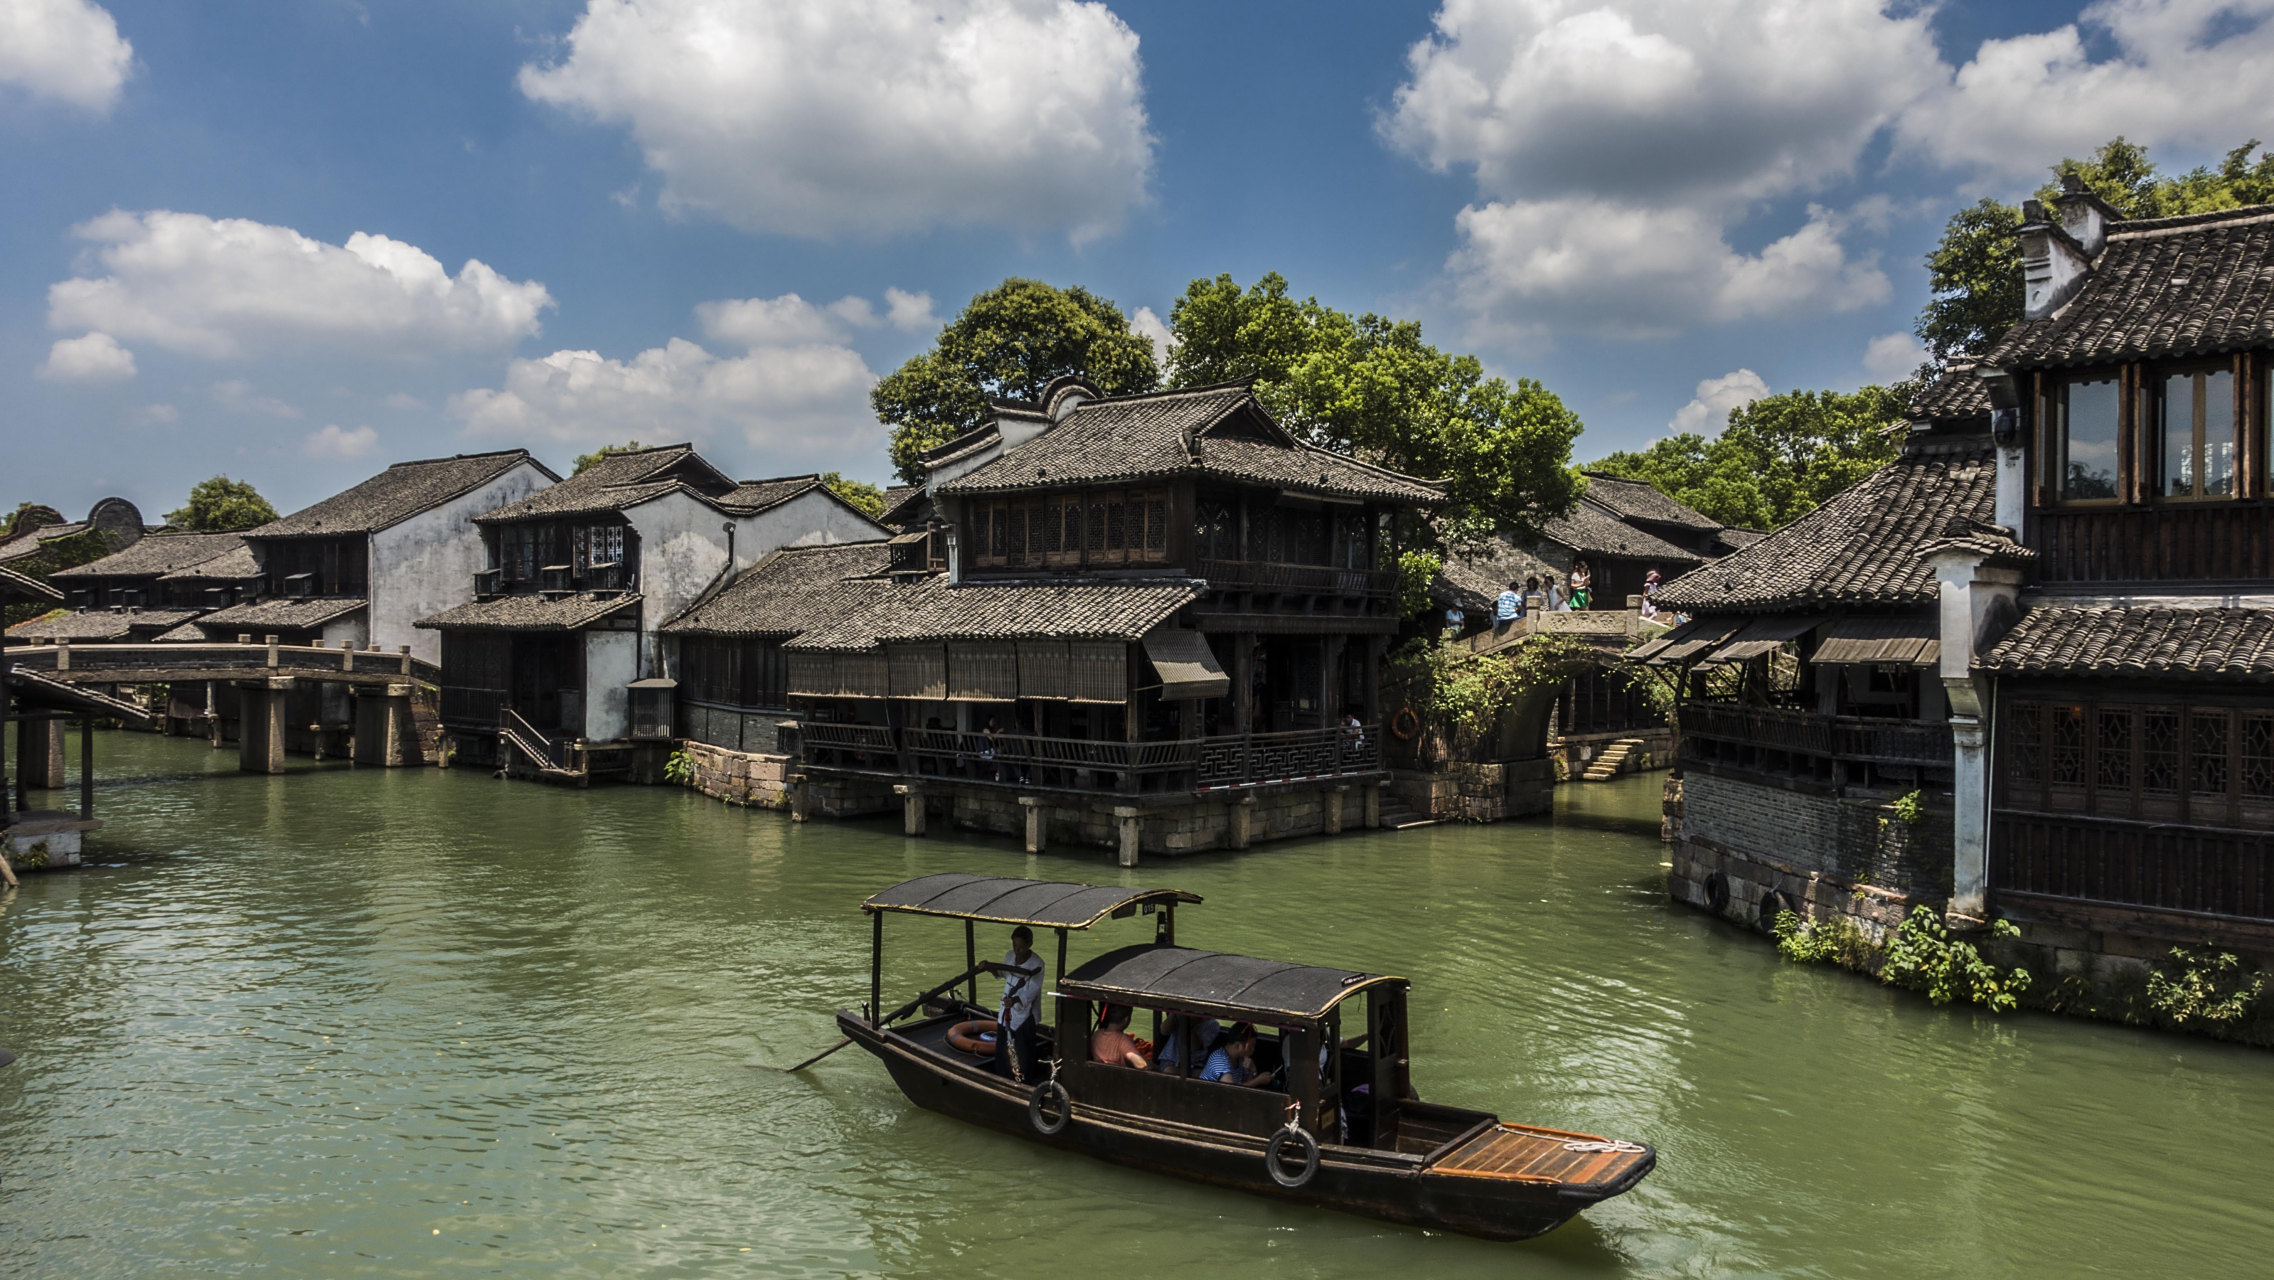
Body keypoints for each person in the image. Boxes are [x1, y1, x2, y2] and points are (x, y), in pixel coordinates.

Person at [985, 925, 1047, 1082]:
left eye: (1021, 947)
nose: (1017, 951)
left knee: (1022, 1051)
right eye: (1015, 946)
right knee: (1003, 1049)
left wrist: (1015, 1000)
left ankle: (1022, 1080)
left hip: (1024, 1015)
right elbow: (1003, 974)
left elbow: (1033, 989)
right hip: (1006, 1010)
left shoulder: (1037, 963)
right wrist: (989, 968)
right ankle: (1003, 1077)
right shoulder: (1009, 956)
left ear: (1029, 944)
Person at [1198, 1022, 1276, 1088]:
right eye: (1251, 1046)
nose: (1253, 1049)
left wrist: (1252, 1071)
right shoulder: (1220, 1059)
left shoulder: (1241, 1060)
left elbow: (1246, 1086)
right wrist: (1258, 1081)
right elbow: (1232, 1091)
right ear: (1238, 1045)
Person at [1153, 1013, 1222, 1075]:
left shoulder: (1213, 1024)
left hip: (1196, 1063)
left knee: (1203, 1077)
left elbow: (1196, 1046)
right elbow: (1164, 1031)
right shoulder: (1179, 1016)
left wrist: (1190, 1025)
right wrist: (1174, 1014)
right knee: (1170, 1072)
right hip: (1171, 1059)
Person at [1090, 1004, 1149, 1069]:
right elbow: (1141, 1064)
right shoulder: (1122, 1040)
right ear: (1126, 1019)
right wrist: (1152, 1065)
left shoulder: (1097, 1034)